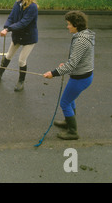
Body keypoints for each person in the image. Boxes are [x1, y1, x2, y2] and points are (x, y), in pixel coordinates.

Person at [43, 11, 95, 140]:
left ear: (76, 25)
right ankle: (68, 121)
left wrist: (53, 73)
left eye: (69, 24)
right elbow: (76, 60)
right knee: (70, 100)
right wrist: (67, 64)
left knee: (65, 102)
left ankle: (72, 131)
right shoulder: (84, 35)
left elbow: (72, 65)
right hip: (83, 75)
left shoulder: (81, 41)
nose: (67, 26)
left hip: (80, 78)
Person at [0, 0, 38, 92]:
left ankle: (21, 81)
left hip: (29, 38)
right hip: (17, 36)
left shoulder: (33, 7)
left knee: (21, 60)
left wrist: (8, 30)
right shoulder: (17, 3)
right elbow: (11, 17)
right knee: (8, 56)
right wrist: (6, 27)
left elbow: (23, 23)